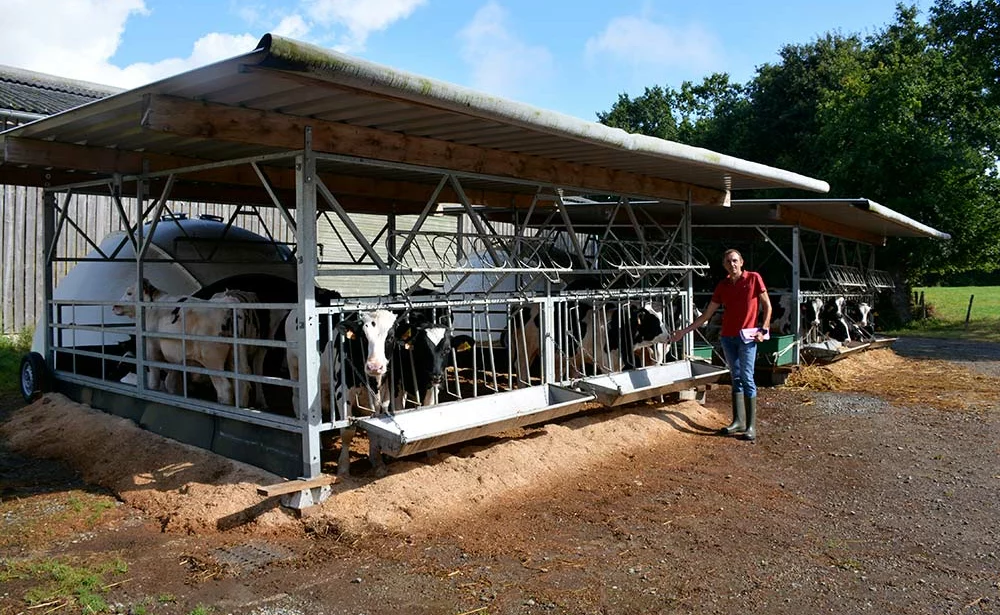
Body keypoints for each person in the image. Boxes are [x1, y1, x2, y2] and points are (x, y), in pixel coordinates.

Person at [669, 249, 771, 441]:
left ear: (741, 262)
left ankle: (751, 426)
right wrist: (684, 331)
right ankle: (738, 421)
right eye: (727, 262)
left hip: (747, 338)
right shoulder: (722, 285)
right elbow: (707, 315)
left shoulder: (753, 279)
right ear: (724, 265)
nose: (732, 264)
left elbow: (767, 306)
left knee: (747, 377)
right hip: (728, 337)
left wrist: (763, 329)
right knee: (735, 377)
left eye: (734, 260)